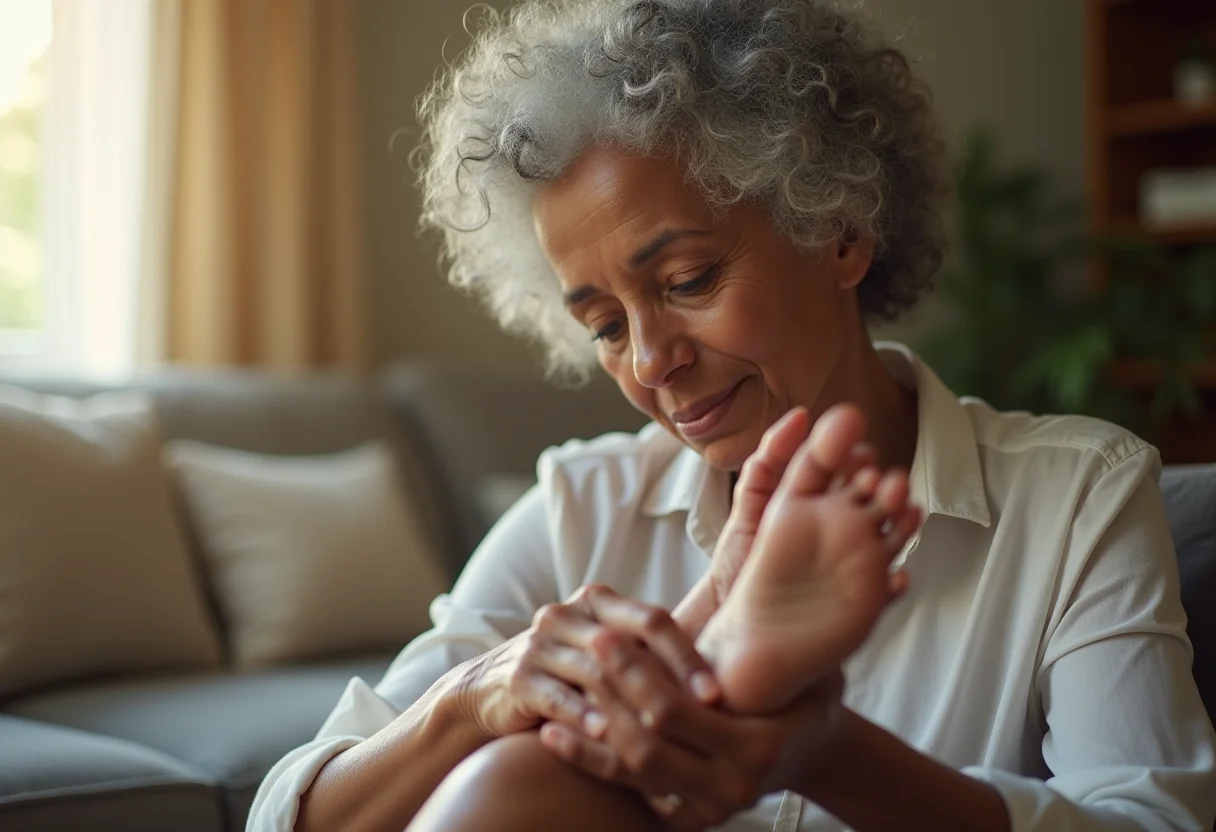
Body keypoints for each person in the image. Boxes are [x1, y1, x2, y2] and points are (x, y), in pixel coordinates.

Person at [248, 1, 1216, 830]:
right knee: (519, 769)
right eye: (601, 324)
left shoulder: (1074, 498)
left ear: (839, 229)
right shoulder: (579, 509)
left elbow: (1149, 819)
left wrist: (825, 754)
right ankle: (696, 646)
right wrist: (478, 696)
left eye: (688, 278)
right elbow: (290, 808)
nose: (650, 359)